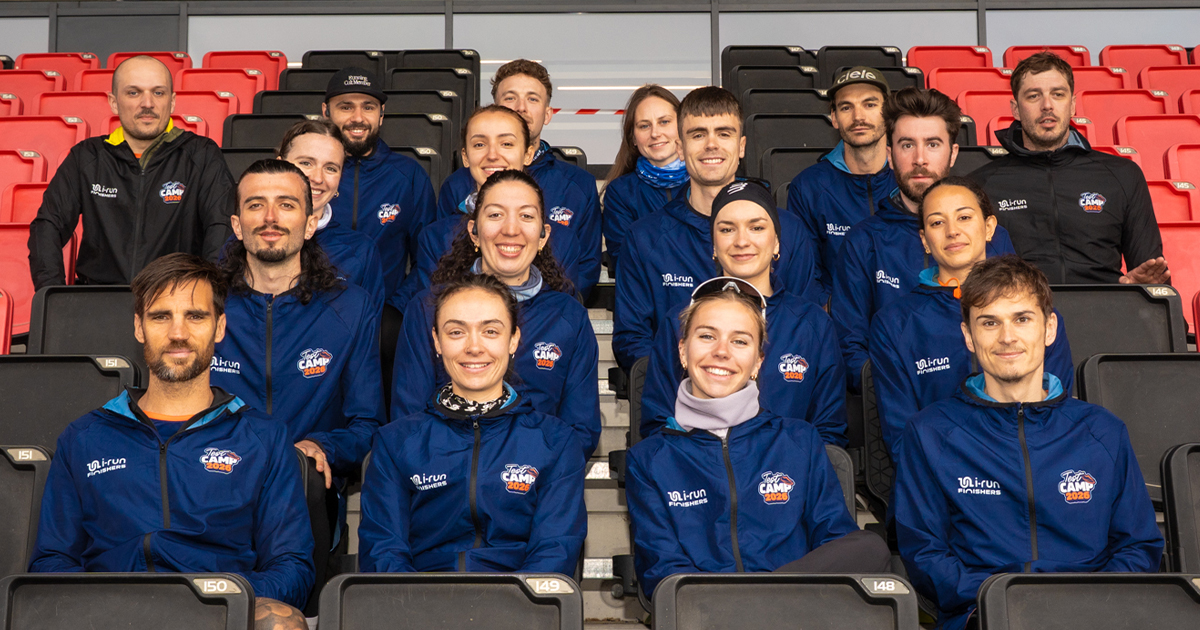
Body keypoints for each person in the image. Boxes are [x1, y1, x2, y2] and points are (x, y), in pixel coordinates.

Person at [29, 253, 313, 630]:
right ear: (139, 327)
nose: (178, 333)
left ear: (219, 327)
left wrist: (213, 598)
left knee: (281, 622)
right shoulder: (84, 439)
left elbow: (292, 568)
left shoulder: (263, 438)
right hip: (110, 616)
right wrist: (115, 601)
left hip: (218, 613)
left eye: (195, 316)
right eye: (161, 316)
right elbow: (51, 562)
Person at [893, 255, 1163, 630]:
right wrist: (1003, 599)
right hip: (984, 614)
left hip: (1093, 617)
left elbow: (1138, 546)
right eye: (989, 322)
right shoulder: (930, 433)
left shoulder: (1103, 431)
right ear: (968, 336)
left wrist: (1085, 604)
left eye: (1022, 319)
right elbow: (925, 554)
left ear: (1049, 328)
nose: (1007, 337)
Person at [626, 280, 890, 598]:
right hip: (705, 612)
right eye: (707, 336)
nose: (721, 351)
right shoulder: (650, 459)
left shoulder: (799, 441)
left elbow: (835, 542)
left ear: (758, 362)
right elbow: (662, 571)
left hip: (797, 611)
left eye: (739, 341)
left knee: (869, 547)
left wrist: (761, 602)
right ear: (683, 350)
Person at [359, 273, 586, 574]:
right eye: (456, 332)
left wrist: (511, 601)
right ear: (437, 341)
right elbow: (383, 553)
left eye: (490, 331)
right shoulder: (395, 443)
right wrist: (417, 600)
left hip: (519, 598)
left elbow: (554, 552)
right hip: (419, 597)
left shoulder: (556, 442)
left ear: (513, 340)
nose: (474, 347)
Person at [392, 170, 600, 458]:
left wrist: (517, 472)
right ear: (474, 232)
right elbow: (408, 422)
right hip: (444, 473)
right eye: (495, 215)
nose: (511, 229)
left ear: (543, 236)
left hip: (534, 475)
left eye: (526, 216)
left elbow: (580, 432)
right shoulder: (428, 309)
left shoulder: (569, 317)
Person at [870, 176, 1074, 464]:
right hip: (944, 476)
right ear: (924, 240)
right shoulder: (895, 323)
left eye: (964, 217)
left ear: (989, 227)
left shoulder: (1034, 312)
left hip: (1035, 469)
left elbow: (1056, 416)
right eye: (937, 222)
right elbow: (904, 440)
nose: (952, 231)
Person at [613, 86, 820, 370]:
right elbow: (632, 340)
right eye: (698, 135)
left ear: (742, 146)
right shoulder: (644, 239)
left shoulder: (788, 231)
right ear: (680, 148)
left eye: (724, 133)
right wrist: (698, 380)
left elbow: (806, 331)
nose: (711, 144)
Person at [212, 159, 383, 493]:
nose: (270, 217)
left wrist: (321, 446)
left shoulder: (350, 307)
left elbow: (367, 426)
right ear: (237, 225)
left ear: (310, 224)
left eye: (286, 205)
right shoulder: (204, 304)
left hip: (306, 488)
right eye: (255, 205)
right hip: (218, 479)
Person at [831, 87, 1016, 390]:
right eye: (907, 145)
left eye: (932, 144)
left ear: (953, 153)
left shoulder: (992, 236)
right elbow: (850, 349)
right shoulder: (863, 242)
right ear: (890, 155)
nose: (919, 159)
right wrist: (900, 388)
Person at [641, 181, 847, 446]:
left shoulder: (812, 325)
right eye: (727, 229)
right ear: (713, 246)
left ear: (776, 243)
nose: (741, 241)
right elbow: (658, 425)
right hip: (698, 468)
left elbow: (828, 432)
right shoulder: (680, 319)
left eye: (756, 228)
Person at [28, 55, 235, 289]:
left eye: (158, 92)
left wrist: (208, 293)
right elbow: (48, 225)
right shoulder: (87, 157)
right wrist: (52, 294)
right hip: (97, 299)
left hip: (175, 300)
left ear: (172, 101)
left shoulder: (202, 155)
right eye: (134, 93)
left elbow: (222, 227)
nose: (147, 103)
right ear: (114, 102)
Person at [969, 52, 1167, 285]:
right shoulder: (981, 185)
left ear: (1072, 105)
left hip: (1105, 304)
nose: (1047, 105)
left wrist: (1137, 290)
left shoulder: (1122, 175)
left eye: (1058, 94)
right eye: (1033, 96)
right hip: (1019, 304)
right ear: (1016, 109)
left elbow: (1152, 276)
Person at [435, 60, 601, 298]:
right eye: (510, 97)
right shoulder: (457, 184)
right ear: (494, 106)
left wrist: (545, 305)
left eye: (532, 99)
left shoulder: (578, 185)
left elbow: (585, 269)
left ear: (547, 113)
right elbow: (443, 254)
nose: (521, 107)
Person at [397, 105, 583, 308]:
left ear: (528, 154)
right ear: (465, 157)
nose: (492, 155)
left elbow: (560, 316)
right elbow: (430, 314)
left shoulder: (563, 242)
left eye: (506, 144)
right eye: (479, 144)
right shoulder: (435, 239)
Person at [322, 67, 437, 311]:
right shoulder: (310, 175)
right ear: (326, 112)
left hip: (384, 314)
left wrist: (395, 310)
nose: (358, 118)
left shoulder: (409, 176)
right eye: (345, 107)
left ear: (381, 114)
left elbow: (427, 260)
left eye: (368, 107)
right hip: (314, 313)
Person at [787, 67, 896, 303]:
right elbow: (804, 274)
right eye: (846, 107)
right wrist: (834, 313)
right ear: (834, 118)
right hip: (838, 321)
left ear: (888, 113)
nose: (858, 117)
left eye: (870, 104)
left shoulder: (910, 179)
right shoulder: (808, 187)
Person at [277, 119, 385, 314]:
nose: (318, 178)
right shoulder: (251, 236)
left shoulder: (361, 251)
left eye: (330, 168)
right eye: (306, 163)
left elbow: (368, 326)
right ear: (280, 165)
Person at [602, 85, 688, 274]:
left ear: (683, 127)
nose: (655, 133)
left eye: (664, 122)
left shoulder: (707, 182)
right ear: (633, 137)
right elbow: (626, 262)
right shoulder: (620, 193)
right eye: (644, 126)